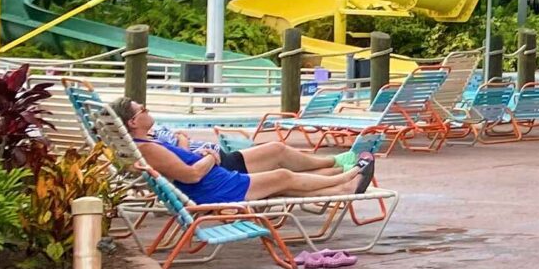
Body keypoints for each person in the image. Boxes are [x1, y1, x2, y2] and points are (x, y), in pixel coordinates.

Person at [115, 99, 375, 201]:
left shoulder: (147, 145)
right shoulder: (147, 149)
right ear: (133, 122)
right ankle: (345, 176)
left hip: (217, 180)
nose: (148, 111)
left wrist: (206, 158)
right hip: (213, 187)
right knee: (281, 176)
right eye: (143, 110)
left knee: (280, 181)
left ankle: (342, 188)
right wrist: (209, 157)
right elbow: (191, 175)